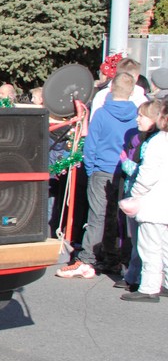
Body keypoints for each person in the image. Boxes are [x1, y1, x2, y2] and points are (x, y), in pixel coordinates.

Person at [58, 72, 138, 279]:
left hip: (102, 169)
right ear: (132, 91)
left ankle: (87, 259)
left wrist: (91, 169)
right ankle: (113, 258)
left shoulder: (102, 113)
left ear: (111, 89)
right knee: (116, 216)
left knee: (96, 216)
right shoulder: (136, 114)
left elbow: (91, 145)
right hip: (123, 171)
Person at [118, 100, 168, 302]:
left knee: (150, 247)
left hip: (153, 203)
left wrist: (135, 195)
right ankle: (164, 283)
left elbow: (147, 175)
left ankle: (148, 287)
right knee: (165, 246)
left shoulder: (158, 142)